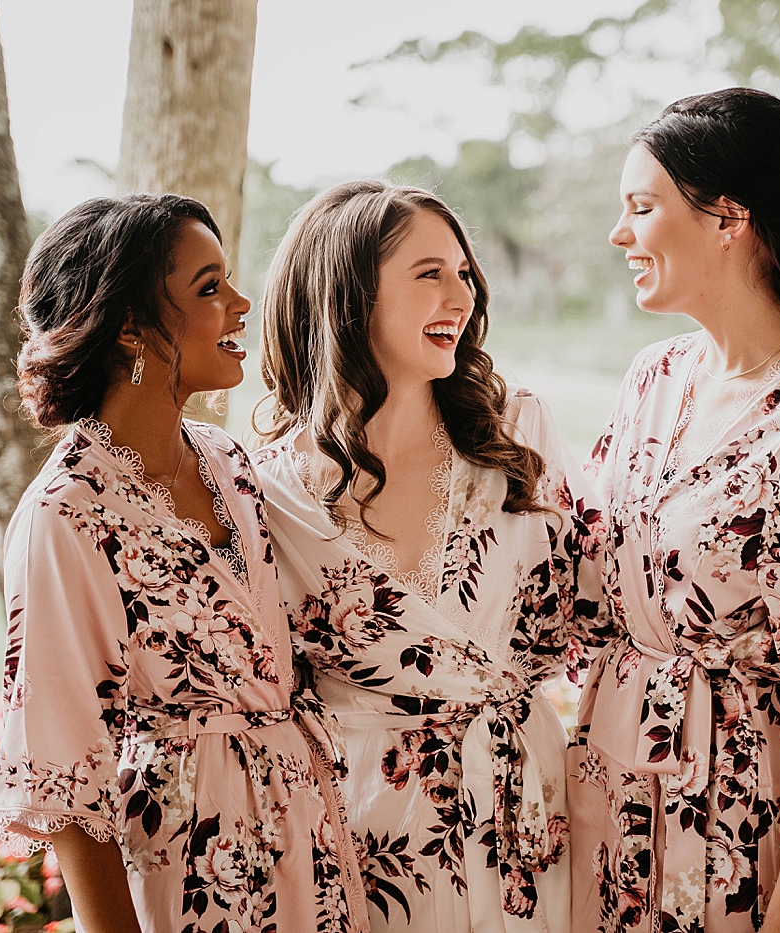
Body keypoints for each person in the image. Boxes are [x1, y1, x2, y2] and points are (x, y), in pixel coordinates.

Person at [568, 88, 780, 933]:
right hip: (602, 803)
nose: (620, 235)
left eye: (641, 208)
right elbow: (568, 564)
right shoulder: (652, 378)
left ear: (728, 217)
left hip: (725, 825)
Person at [0, 194, 369, 933]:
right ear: (129, 324)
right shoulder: (67, 514)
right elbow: (65, 770)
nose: (240, 302)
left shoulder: (226, 460)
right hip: (188, 868)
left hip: (309, 849)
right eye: (208, 287)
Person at [251, 180, 613, 933]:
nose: (463, 296)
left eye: (464, 273)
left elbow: (582, 623)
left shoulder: (518, 438)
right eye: (429, 274)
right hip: (359, 838)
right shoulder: (269, 489)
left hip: (523, 827)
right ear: (348, 295)